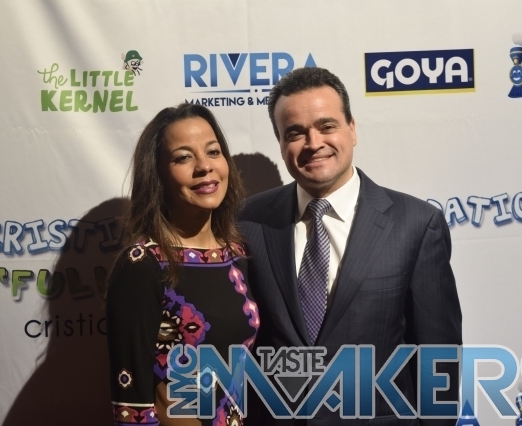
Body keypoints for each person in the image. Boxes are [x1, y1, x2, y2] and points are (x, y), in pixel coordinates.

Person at [239, 67, 462, 425]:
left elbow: (438, 356)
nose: (313, 143)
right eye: (295, 132)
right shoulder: (247, 222)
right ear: (280, 143)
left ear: (352, 129)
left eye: (326, 126)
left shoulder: (416, 224)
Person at [106, 103, 259, 426]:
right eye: (183, 157)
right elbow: (132, 403)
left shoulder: (238, 255)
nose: (204, 166)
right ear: (158, 175)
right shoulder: (142, 264)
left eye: (213, 152)